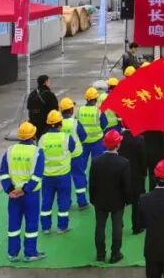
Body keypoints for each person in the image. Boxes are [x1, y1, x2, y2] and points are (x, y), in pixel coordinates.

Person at [0, 122, 45, 262]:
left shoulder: (9, 151)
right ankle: (30, 253)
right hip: (31, 195)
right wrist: (25, 190)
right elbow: (37, 175)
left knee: (14, 224)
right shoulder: (37, 152)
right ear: (33, 136)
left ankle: (12, 253)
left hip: (13, 195)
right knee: (31, 224)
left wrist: (9, 189)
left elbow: (3, 173)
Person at [89, 129, 131, 264]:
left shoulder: (96, 161)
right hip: (117, 201)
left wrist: (93, 199)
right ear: (118, 144)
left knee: (100, 226)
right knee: (117, 227)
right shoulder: (124, 163)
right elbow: (126, 185)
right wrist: (127, 200)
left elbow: (92, 183)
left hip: (100, 200)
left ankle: (100, 254)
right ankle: (115, 254)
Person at [38, 109, 79, 234]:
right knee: (63, 202)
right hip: (63, 176)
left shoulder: (43, 139)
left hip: (47, 176)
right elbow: (72, 149)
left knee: (46, 201)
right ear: (60, 124)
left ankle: (45, 227)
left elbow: (39, 155)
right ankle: (62, 227)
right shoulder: (66, 138)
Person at [56, 97, 88, 208]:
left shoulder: (58, 124)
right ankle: (82, 202)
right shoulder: (75, 123)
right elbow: (83, 136)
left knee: (65, 180)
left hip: (63, 156)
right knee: (79, 177)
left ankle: (66, 202)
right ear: (71, 110)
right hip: (76, 155)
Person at [119, 125, 149, 234]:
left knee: (121, 200)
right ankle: (137, 226)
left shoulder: (119, 138)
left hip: (121, 174)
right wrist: (144, 173)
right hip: (136, 175)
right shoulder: (140, 140)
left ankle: (119, 224)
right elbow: (143, 159)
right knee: (137, 201)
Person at [77, 87, 108, 175]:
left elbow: (78, 125)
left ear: (86, 99)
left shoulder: (80, 110)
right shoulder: (98, 111)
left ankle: (82, 180)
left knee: (82, 165)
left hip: (84, 141)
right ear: (96, 99)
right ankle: (96, 180)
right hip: (97, 141)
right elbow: (104, 124)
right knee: (97, 165)